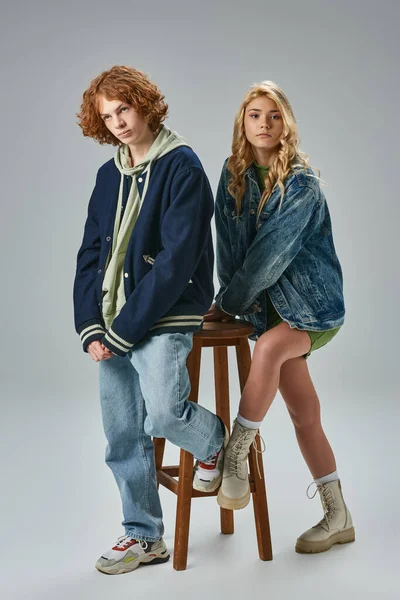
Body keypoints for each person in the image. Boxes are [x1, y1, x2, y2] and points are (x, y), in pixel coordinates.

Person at [73, 65, 227, 575]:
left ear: (145, 104)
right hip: (114, 321)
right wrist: (91, 326)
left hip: (164, 311)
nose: (118, 122)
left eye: (125, 108)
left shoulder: (182, 166)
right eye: (108, 115)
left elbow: (178, 259)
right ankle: (144, 537)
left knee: (162, 414)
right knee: (121, 432)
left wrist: (124, 330)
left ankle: (217, 443)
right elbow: (91, 253)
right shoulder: (107, 174)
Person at [206, 81, 355, 554]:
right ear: (242, 122)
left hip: (312, 306)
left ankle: (235, 456)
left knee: (270, 348)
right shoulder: (232, 174)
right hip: (264, 310)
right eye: (255, 115)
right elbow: (228, 256)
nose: (264, 124)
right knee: (302, 413)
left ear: (285, 122)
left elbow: (269, 257)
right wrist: (227, 303)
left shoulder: (302, 183)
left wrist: (228, 304)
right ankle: (338, 515)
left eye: (273, 115)